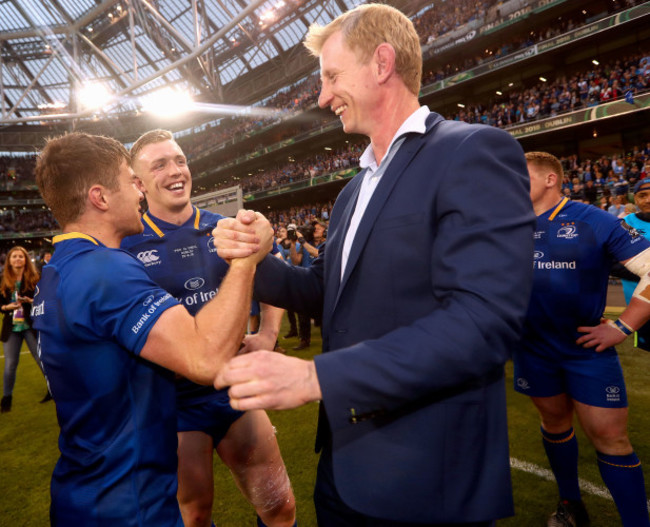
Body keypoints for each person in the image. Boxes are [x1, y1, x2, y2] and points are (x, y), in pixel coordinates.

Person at [213, 4, 535, 526]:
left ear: (382, 63)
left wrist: (320, 376)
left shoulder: (472, 151)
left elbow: (483, 323)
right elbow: (325, 293)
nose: (322, 96)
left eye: (332, 76)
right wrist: (256, 258)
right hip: (344, 466)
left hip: (425, 475)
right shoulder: (351, 192)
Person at [31, 132, 272, 526]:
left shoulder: (58, 271)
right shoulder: (105, 269)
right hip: (129, 506)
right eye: (131, 181)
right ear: (100, 197)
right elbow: (205, 357)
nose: (140, 193)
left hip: (88, 494)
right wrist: (245, 259)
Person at [121, 130, 296, 527]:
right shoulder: (127, 247)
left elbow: (277, 282)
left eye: (179, 160)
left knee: (279, 506)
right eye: (160, 165)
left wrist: (268, 333)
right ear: (138, 184)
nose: (175, 171)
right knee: (195, 515)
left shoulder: (227, 228)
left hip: (233, 389)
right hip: (172, 402)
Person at [514, 151, 650, 527]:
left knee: (611, 438)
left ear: (549, 179)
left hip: (585, 349)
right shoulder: (505, 224)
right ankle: (571, 506)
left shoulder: (594, 220)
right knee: (555, 424)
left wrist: (622, 327)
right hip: (531, 347)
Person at [0, 246, 48, 412]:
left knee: (41, 359)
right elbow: (0, 305)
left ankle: (53, 390)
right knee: (10, 364)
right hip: (12, 327)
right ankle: (7, 398)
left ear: (26, 259)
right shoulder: (3, 279)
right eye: (14, 256)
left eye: (21, 256)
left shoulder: (35, 278)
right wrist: (7, 307)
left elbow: (44, 301)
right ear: (9, 260)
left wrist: (30, 301)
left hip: (31, 325)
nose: (18, 259)